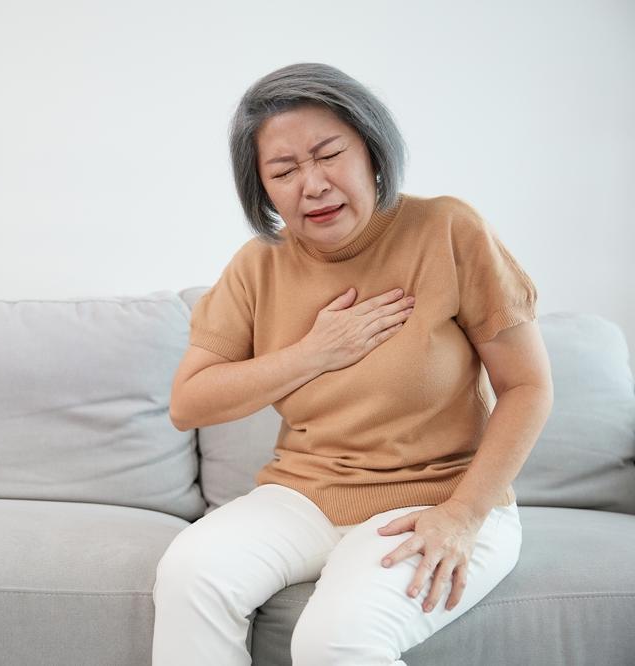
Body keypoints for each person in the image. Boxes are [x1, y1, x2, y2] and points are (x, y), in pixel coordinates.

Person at [151, 63, 554, 666]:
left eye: (328, 155)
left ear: (372, 149)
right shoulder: (257, 267)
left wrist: (462, 516)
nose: (311, 185)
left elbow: (528, 386)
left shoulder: (448, 229)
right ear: (262, 189)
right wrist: (315, 353)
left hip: (435, 495)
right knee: (189, 573)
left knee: (334, 640)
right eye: (282, 172)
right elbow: (190, 404)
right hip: (304, 495)